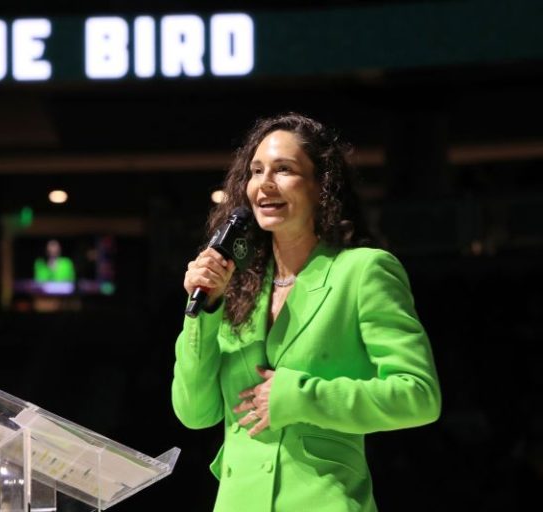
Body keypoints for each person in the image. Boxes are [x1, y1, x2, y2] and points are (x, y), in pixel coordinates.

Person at [171, 112, 441, 512]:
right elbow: (196, 413)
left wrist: (300, 396)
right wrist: (204, 309)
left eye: (284, 170)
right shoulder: (240, 287)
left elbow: (419, 396)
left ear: (321, 186)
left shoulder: (364, 271)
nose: (264, 184)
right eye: (257, 170)